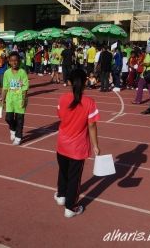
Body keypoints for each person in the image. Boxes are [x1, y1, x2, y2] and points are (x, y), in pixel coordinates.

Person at [55, 69, 100, 218]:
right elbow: (92, 125)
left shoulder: (62, 99)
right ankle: (71, 207)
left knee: (63, 171)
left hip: (62, 143)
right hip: (77, 147)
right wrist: (95, 145)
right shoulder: (89, 102)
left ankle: (61, 196)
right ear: (85, 82)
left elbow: (61, 116)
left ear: (69, 82)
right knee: (74, 177)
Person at [1, 51, 29, 146]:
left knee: (19, 119)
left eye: (16, 60)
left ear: (19, 61)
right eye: (12, 61)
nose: (14, 63)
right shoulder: (7, 73)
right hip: (10, 99)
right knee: (8, 118)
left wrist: (24, 100)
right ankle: (12, 129)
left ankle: (18, 137)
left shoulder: (22, 72)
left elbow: (25, 88)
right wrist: (3, 100)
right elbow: (4, 87)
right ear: (9, 61)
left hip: (20, 99)